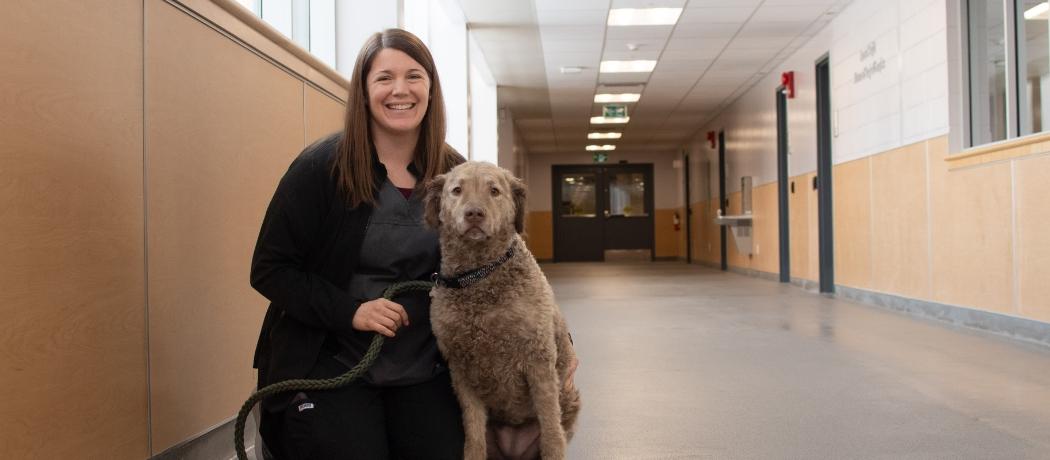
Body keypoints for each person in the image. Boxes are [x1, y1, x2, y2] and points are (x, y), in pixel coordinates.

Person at [250, 28, 466, 459]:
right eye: (384, 78)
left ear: (431, 88)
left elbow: (502, 262)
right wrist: (352, 311)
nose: (400, 90)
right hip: (332, 361)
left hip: (422, 365)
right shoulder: (321, 167)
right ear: (364, 92)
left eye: (414, 76)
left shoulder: (456, 172)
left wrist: (556, 339)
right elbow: (270, 269)